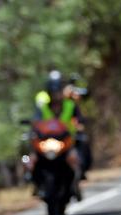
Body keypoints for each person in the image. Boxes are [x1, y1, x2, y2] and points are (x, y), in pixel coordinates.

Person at [32, 70, 83, 200]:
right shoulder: (43, 106)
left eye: (57, 91)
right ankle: (36, 184)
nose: (55, 95)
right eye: (53, 91)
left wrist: (79, 126)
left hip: (66, 140)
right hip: (47, 140)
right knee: (30, 159)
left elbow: (79, 119)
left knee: (74, 158)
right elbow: (36, 121)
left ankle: (76, 183)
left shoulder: (69, 104)